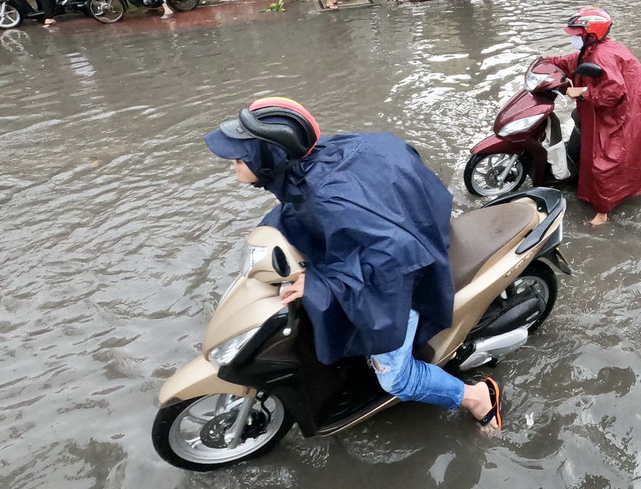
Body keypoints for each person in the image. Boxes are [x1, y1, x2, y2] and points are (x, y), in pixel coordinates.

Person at [203, 97, 503, 430]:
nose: (232, 162)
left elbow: (396, 253)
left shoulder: (327, 195)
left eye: (240, 156)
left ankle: (476, 397)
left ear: (270, 156)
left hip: (410, 268)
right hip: (420, 222)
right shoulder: (324, 154)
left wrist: (321, 282)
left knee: (396, 380)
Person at [544, 8, 641, 226]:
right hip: (640, 102)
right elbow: (575, 61)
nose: (573, 38)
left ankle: (603, 211)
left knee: (606, 159)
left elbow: (613, 92)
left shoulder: (602, 54)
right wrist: (548, 61)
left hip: (634, 107)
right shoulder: (593, 48)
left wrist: (583, 92)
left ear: (590, 34)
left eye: (577, 34)